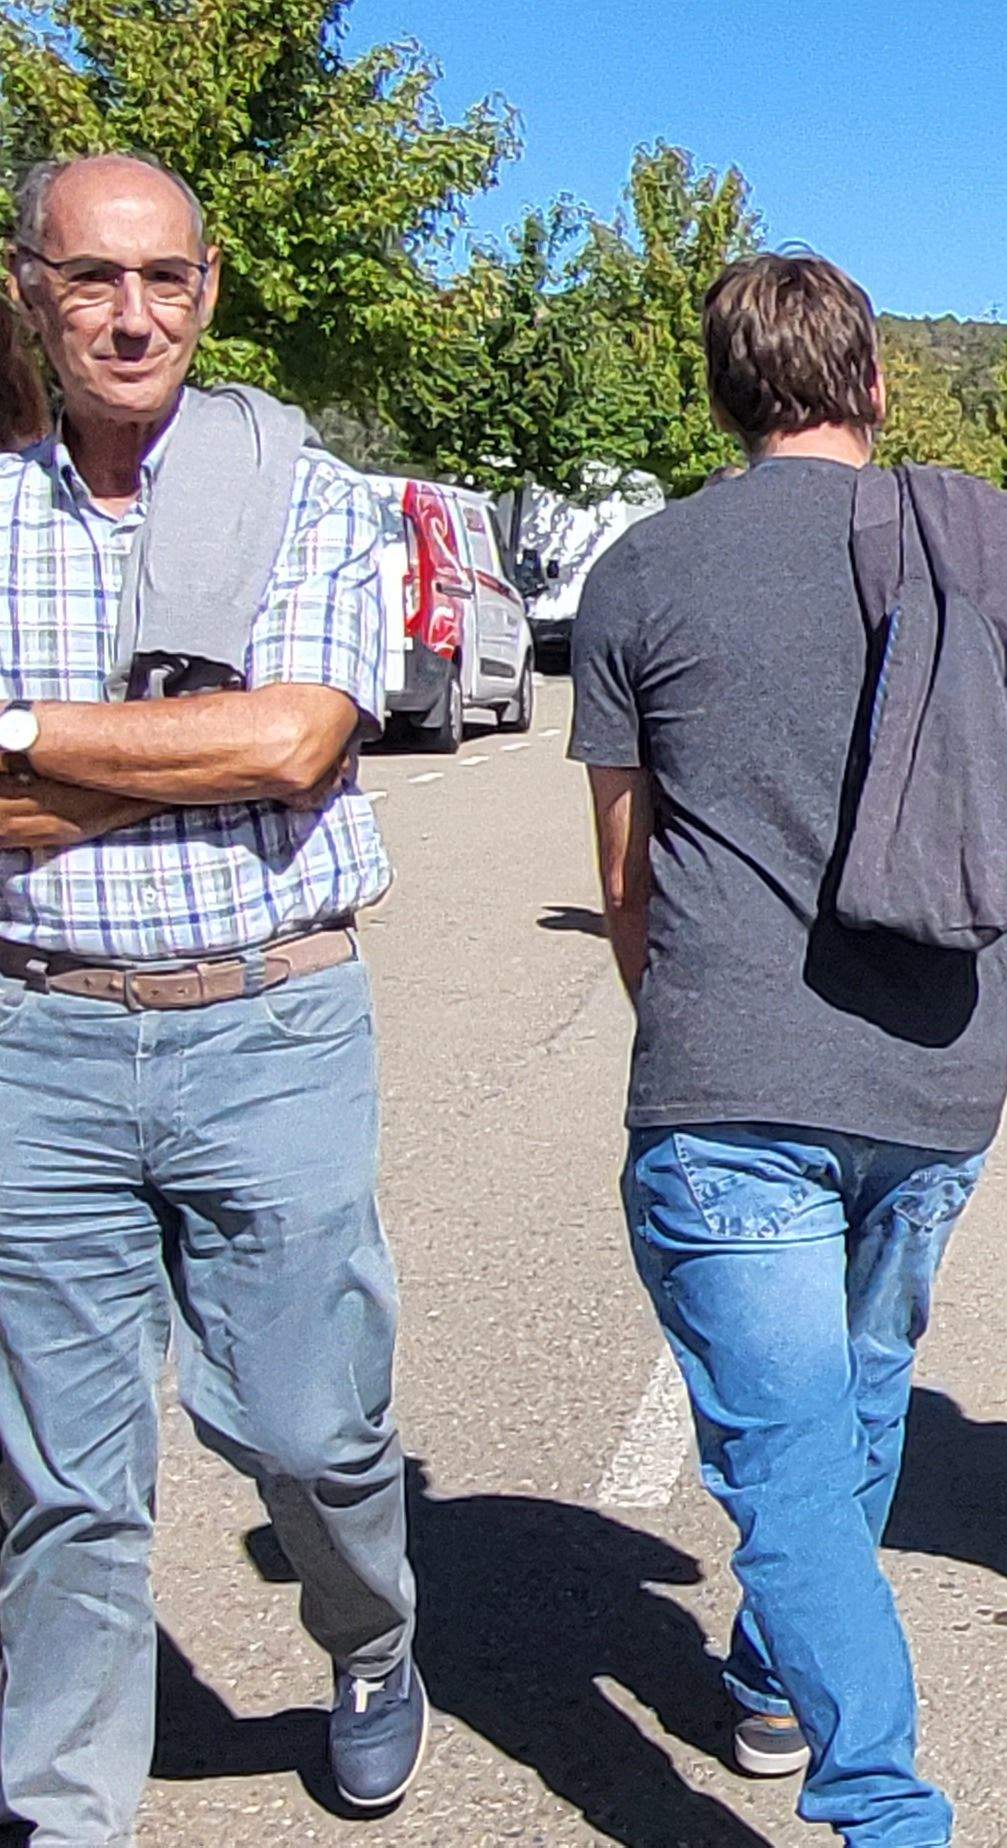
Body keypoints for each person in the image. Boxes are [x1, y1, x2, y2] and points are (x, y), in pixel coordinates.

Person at [573, 251, 1007, 1846]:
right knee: (862, 1401)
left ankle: (882, 1804)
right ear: (874, 383)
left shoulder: (645, 569)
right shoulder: (989, 546)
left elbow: (622, 866)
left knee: (791, 1453)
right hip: (939, 1071)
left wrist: (678, 1017)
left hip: (736, 1068)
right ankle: (763, 1678)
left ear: (725, 394)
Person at [0, 151, 423, 1842]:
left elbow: (295, 735)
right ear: (31, 282)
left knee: (310, 1430)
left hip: (270, 1019)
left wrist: (25, 739)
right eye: (92, 277)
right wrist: (194, 754)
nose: (130, 313)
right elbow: (237, 746)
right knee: (63, 1490)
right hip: (38, 1029)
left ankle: (374, 1637)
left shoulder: (303, 490)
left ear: (212, 286)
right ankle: (64, 1807)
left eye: (164, 278)